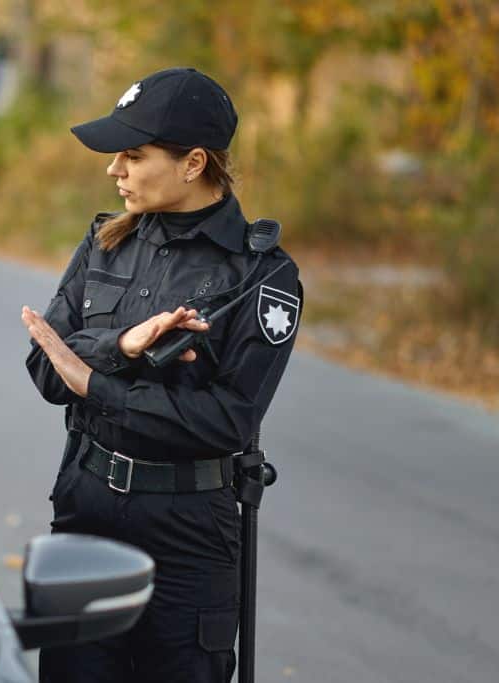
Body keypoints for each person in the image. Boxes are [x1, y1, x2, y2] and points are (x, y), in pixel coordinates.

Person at [22, 67, 302, 682]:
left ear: (193, 162)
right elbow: (47, 369)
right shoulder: (104, 241)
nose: (112, 170)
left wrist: (97, 383)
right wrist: (120, 344)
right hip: (86, 512)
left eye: (132, 154)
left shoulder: (260, 278)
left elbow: (228, 421)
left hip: (189, 538)